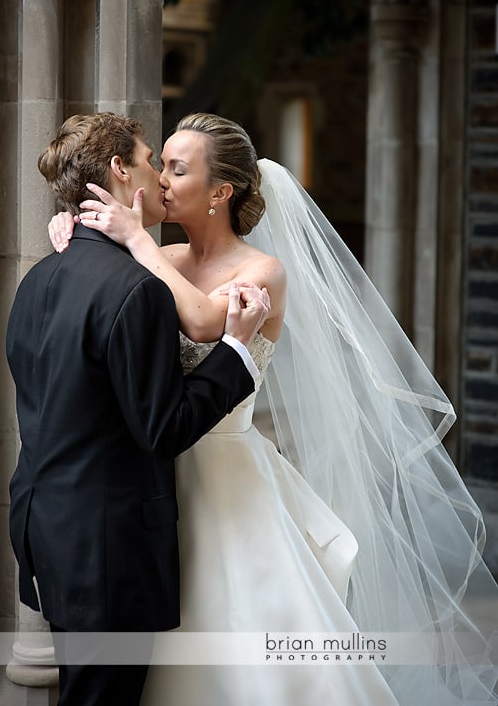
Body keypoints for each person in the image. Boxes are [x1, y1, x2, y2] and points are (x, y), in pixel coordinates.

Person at [49, 113, 498, 706]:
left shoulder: (260, 271)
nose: (158, 179)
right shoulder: (166, 258)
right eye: (159, 163)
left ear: (220, 192)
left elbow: (206, 322)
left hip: (226, 477)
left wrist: (133, 240)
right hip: (155, 479)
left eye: (176, 168)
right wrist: (78, 230)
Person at [6, 112, 271, 706]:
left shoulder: (40, 277)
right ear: (121, 171)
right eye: (155, 161)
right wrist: (235, 352)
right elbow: (164, 426)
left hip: (46, 524)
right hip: (109, 542)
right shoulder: (137, 288)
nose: (162, 176)